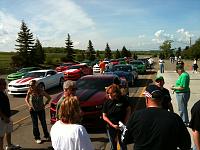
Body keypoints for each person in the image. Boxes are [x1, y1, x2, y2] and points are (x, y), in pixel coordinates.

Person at [121, 84, 191, 150]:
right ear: (161, 99)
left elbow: (124, 139)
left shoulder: (136, 116)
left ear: (147, 99)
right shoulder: (175, 118)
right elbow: (186, 144)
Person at [102, 84, 131, 150]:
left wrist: (125, 122)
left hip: (122, 126)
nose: (109, 96)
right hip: (111, 127)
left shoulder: (123, 99)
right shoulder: (107, 102)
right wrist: (112, 125)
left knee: (123, 144)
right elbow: (104, 116)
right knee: (113, 145)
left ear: (116, 93)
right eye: (108, 94)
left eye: (111, 94)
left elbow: (128, 110)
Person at [25, 80, 51, 144]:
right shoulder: (29, 92)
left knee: (43, 123)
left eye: (32, 85)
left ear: (36, 85)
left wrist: (44, 104)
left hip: (41, 110)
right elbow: (26, 99)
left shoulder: (41, 91)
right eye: (29, 85)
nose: (30, 86)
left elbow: (49, 97)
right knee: (35, 124)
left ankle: (46, 135)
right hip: (33, 110)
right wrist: (29, 106)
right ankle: (37, 137)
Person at [0, 78, 20, 150]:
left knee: (8, 132)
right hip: (2, 118)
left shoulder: (3, 92)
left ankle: (9, 145)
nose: (5, 85)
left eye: (5, 83)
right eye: (4, 84)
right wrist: (4, 117)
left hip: (8, 116)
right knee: (1, 136)